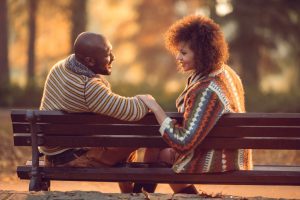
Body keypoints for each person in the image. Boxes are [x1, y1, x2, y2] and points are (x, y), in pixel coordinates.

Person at [137, 15, 253, 194]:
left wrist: (154, 106)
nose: (178, 57)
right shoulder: (225, 72)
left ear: (202, 54)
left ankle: (138, 195)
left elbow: (183, 142)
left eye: (184, 53)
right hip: (232, 150)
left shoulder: (207, 90)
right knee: (159, 147)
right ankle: (142, 194)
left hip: (220, 157)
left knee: (159, 152)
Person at [39, 32, 149, 193]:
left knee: (122, 137)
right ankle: (132, 193)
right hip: (72, 159)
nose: (113, 57)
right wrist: (147, 100)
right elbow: (132, 111)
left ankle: (130, 192)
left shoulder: (61, 67)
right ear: (89, 61)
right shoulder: (88, 88)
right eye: (107, 54)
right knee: (135, 137)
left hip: (53, 152)